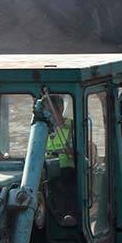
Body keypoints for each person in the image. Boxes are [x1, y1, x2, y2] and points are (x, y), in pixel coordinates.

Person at [43, 94, 78, 226]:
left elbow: (82, 152)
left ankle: (68, 218)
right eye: (46, 112)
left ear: (61, 107)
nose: (49, 115)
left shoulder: (73, 127)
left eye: (51, 111)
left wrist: (68, 151)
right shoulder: (42, 130)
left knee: (63, 185)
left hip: (68, 173)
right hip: (48, 173)